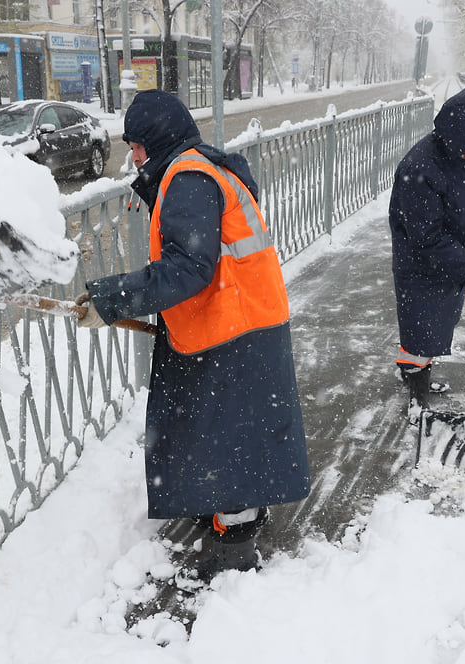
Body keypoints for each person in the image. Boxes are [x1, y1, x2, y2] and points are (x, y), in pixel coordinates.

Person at [75, 89, 310, 582]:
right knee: (235, 435)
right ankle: (233, 515)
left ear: (157, 139)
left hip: (232, 329)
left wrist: (111, 299)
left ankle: (234, 556)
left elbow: (189, 268)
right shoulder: (202, 167)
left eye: (136, 145)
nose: (132, 156)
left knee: (229, 441)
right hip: (243, 320)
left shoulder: (187, 179)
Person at [388, 86, 465, 408]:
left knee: (438, 323)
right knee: (420, 329)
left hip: (453, 253)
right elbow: (425, 237)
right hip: (421, 260)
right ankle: (418, 400)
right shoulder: (420, 168)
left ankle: (416, 372)